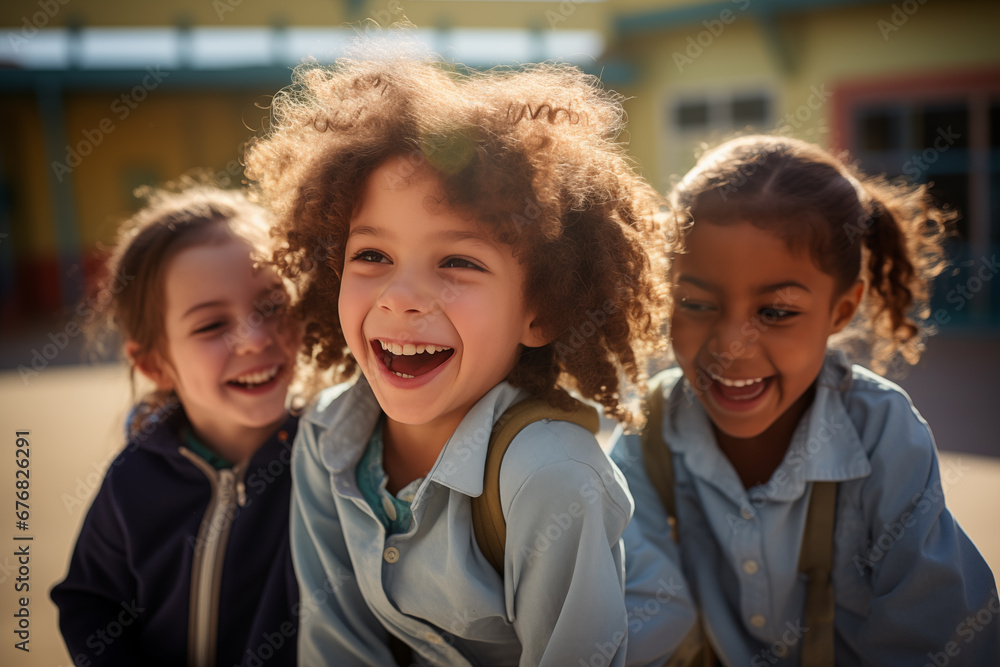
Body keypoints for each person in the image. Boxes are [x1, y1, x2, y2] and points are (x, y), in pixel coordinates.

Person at [244, 47, 695, 666]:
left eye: (458, 262)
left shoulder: (549, 475)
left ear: (539, 311)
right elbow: (337, 644)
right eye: (372, 256)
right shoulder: (326, 438)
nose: (401, 299)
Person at [612, 134, 1000, 666]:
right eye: (697, 303)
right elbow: (636, 622)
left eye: (775, 312)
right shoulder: (647, 430)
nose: (730, 346)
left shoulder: (882, 434)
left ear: (840, 312)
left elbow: (939, 638)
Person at [51, 184, 302, 666]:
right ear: (154, 366)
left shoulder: (332, 459)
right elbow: (89, 602)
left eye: (271, 305)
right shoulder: (132, 482)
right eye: (211, 325)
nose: (254, 339)